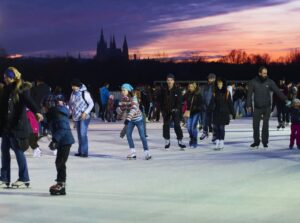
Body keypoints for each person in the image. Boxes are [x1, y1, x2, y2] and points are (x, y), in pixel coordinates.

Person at [0, 67, 43, 188]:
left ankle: (24, 178)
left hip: (17, 126)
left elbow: (30, 102)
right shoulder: (6, 89)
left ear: (12, 77)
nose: (5, 79)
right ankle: (4, 178)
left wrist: (37, 112)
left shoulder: (21, 89)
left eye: (6, 77)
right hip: (6, 127)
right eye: (4, 77)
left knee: (18, 152)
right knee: (4, 152)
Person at [247, 66, 290, 149]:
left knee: (265, 125)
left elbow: (277, 91)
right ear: (259, 73)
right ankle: (256, 142)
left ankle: (265, 142)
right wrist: (248, 105)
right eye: (263, 73)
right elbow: (249, 94)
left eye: (266, 73)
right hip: (257, 107)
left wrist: (286, 100)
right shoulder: (253, 82)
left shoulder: (269, 82)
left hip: (267, 107)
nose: (265, 75)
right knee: (255, 125)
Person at [46, 94, 75, 195]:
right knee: (59, 162)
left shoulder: (59, 114)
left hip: (65, 141)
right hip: (62, 141)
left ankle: (61, 184)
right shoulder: (54, 113)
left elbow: (63, 129)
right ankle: (60, 182)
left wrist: (55, 140)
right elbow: (50, 124)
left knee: (61, 162)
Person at [117, 83, 151, 160]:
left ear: (128, 90)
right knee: (128, 135)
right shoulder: (123, 99)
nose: (122, 91)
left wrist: (128, 119)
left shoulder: (134, 98)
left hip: (138, 119)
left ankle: (147, 153)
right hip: (131, 120)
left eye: (124, 90)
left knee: (142, 136)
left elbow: (134, 109)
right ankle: (133, 152)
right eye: (122, 90)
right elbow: (122, 108)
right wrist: (119, 113)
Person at [160, 74, 186, 150]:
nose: (169, 81)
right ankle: (167, 140)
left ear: (173, 81)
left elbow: (179, 101)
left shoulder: (177, 90)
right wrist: (162, 109)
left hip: (175, 110)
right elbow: (160, 101)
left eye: (171, 80)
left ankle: (180, 140)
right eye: (168, 80)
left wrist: (176, 109)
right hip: (166, 110)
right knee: (166, 125)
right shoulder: (163, 90)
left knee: (177, 125)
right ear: (166, 81)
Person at [69, 79, 94, 157]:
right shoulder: (72, 93)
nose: (73, 87)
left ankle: (84, 152)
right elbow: (71, 104)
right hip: (76, 116)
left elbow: (91, 104)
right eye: (72, 86)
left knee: (83, 134)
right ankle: (80, 151)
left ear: (78, 86)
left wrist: (85, 112)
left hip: (84, 117)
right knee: (79, 134)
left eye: (74, 86)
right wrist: (71, 114)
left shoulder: (85, 93)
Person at [211, 79, 235, 150]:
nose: (219, 85)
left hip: (224, 113)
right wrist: (209, 110)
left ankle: (221, 142)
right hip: (216, 112)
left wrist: (233, 113)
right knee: (216, 128)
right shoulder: (215, 93)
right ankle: (217, 142)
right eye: (218, 84)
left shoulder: (227, 93)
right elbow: (212, 103)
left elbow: (230, 103)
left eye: (221, 84)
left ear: (223, 84)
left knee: (221, 128)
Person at [185, 82, 202, 148]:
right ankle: (192, 138)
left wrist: (196, 107)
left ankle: (194, 141)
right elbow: (182, 99)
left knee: (193, 127)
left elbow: (201, 104)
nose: (190, 88)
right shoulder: (187, 94)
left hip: (196, 112)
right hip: (189, 113)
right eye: (189, 86)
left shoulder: (198, 94)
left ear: (194, 87)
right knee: (189, 127)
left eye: (192, 86)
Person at [200, 73, 216, 141]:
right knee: (204, 120)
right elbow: (201, 96)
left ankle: (214, 134)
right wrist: (202, 104)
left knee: (212, 121)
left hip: (213, 107)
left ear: (214, 79)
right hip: (205, 106)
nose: (210, 79)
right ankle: (205, 132)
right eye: (209, 78)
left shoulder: (216, 87)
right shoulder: (204, 86)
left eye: (212, 78)